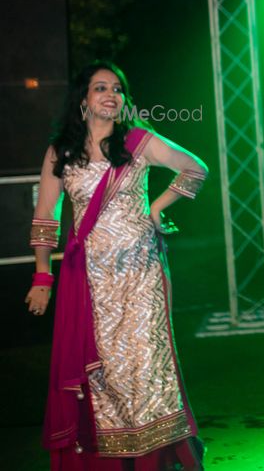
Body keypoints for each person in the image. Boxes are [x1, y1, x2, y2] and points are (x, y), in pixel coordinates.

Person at [25, 61, 207, 469]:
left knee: (145, 367)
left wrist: (157, 207)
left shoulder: (139, 142)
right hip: (88, 279)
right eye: (100, 88)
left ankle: (155, 460)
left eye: (118, 89)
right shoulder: (62, 152)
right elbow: (45, 218)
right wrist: (42, 275)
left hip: (142, 274)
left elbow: (195, 167)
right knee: (102, 375)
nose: (111, 95)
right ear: (83, 100)